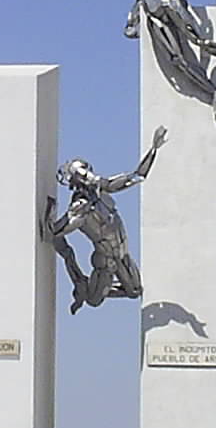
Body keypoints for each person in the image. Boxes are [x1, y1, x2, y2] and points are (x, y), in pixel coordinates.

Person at [46, 129, 167, 313]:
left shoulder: (101, 192)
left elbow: (136, 176)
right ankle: (82, 284)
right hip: (106, 261)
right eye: (82, 174)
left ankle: (93, 286)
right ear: (77, 180)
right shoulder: (80, 207)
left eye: (86, 171)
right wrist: (52, 219)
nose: (88, 175)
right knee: (93, 300)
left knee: (134, 291)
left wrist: (153, 149)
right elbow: (57, 231)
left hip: (123, 255)